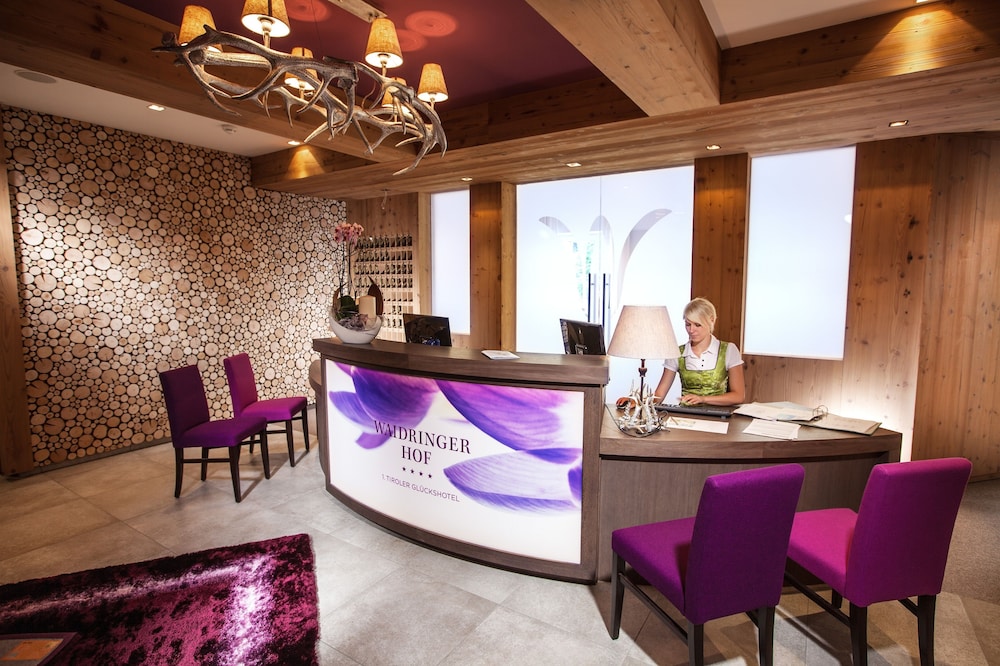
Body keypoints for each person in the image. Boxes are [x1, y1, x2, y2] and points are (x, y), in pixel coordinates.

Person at [653, 297, 746, 406]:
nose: (691, 330)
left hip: (718, 415)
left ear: (711, 320)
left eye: (697, 325)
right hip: (686, 414)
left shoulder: (729, 350)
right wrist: (640, 403)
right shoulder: (677, 353)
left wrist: (703, 399)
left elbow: (738, 396)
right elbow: (659, 395)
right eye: (688, 324)